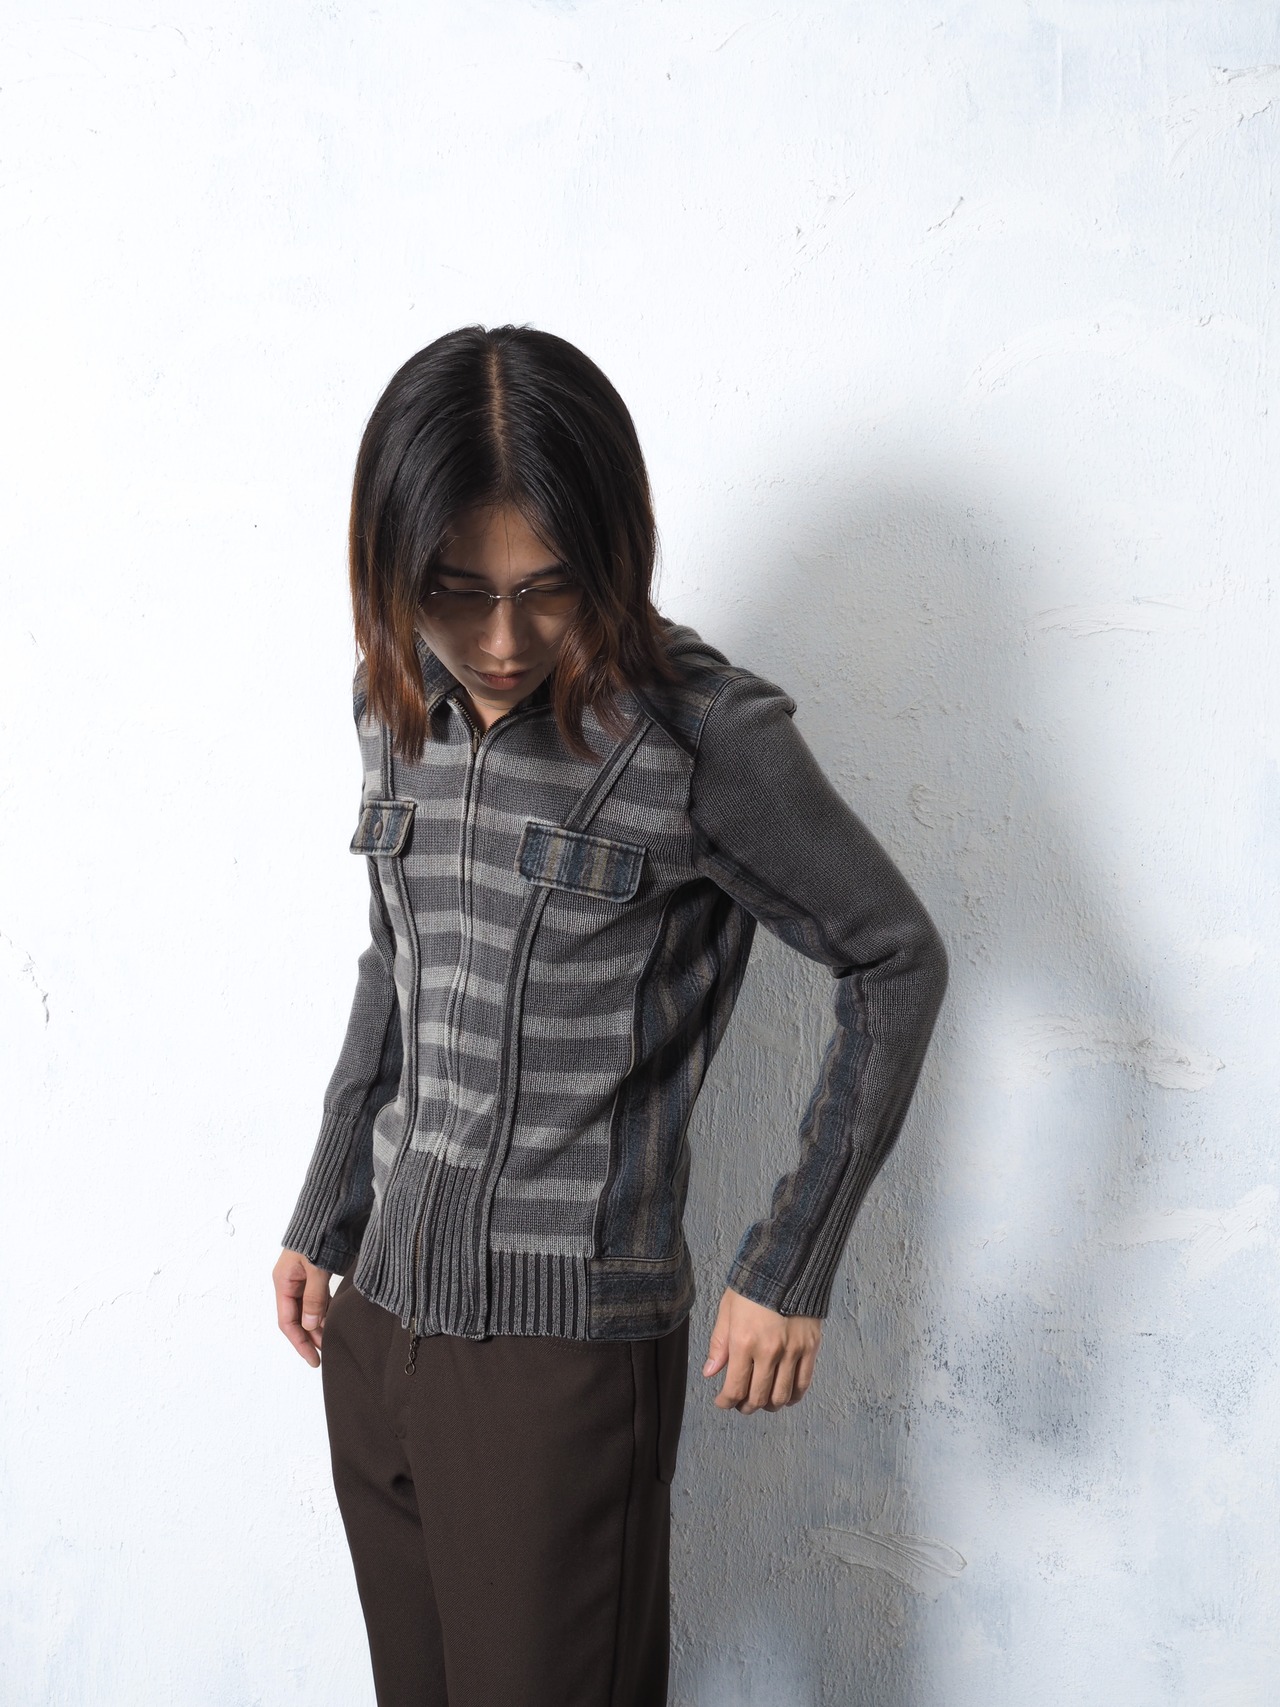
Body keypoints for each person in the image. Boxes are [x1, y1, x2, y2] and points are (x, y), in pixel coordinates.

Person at [272, 323, 949, 1707]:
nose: (500, 641)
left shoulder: (703, 739)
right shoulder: (395, 700)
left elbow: (893, 959)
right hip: (378, 1327)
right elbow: (398, 960)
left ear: (614, 551)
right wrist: (328, 1205)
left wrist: (790, 1262)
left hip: (561, 1361)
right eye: (455, 592)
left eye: (548, 590)